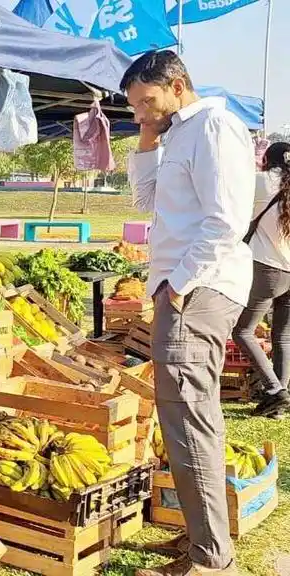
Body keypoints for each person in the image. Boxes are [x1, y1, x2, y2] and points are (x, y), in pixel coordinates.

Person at [125, 51, 255, 576]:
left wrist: (176, 288)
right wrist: (147, 139)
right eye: (133, 107)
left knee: (190, 420)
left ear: (177, 85)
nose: (139, 113)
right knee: (186, 422)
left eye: (146, 101)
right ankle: (203, 540)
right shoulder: (178, 131)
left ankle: (210, 559)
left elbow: (225, 222)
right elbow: (143, 201)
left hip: (196, 290)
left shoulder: (215, 127)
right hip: (182, 287)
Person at [232, 142, 290, 417]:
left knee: (242, 330)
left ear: (267, 159)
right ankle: (278, 405)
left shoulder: (261, 181)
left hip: (267, 269)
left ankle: (275, 390)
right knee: (283, 337)